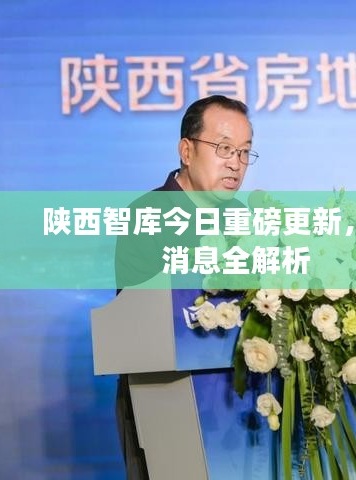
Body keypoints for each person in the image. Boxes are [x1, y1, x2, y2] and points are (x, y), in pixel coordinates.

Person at [115, 95, 257, 479]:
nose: (236, 163)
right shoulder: (147, 215)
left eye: (245, 152)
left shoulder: (243, 219)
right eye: (224, 148)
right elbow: (138, 324)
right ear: (186, 151)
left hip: (238, 407)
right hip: (165, 401)